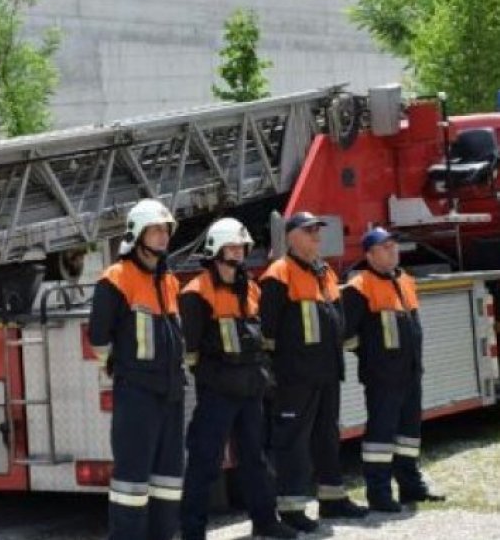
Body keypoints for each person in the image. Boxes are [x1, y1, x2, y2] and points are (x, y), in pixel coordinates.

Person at [179, 218, 296, 540]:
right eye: (231, 247)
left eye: (241, 247)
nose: (238, 253)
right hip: (217, 394)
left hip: (251, 392)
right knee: (205, 461)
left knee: (255, 460)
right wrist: (217, 380)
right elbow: (192, 353)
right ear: (215, 251)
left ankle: (265, 522)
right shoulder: (196, 293)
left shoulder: (252, 288)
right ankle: (193, 531)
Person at [259, 211, 368, 533]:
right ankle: (291, 508)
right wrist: (272, 374)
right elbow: (267, 332)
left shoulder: (324, 272)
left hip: (326, 373)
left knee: (326, 437)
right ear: (291, 236)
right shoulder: (278, 275)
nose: (317, 237)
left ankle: (332, 498)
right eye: (309, 232)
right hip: (295, 376)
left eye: (317, 231)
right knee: (292, 441)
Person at [88, 198, 186, 540]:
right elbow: (99, 338)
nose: (163, 236)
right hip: (137, 395)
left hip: (171, 394)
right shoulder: (116, 278)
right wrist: (124, 371)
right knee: (131, 482)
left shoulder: (169, 280)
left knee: (169, 480)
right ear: (137, 234)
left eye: (166, 230)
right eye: (155, 230)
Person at [342, 227, 446, 511]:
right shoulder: (359, 287)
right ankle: (379, 494)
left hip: (411, 373)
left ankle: (411, 487)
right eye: (385, 247)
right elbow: (346, 334)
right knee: (380, 436)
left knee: (409, 435)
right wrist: (371, 356)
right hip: (382, 377)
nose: (393, 251)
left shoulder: (405, 280)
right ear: (370, 254)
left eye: (394, 246)